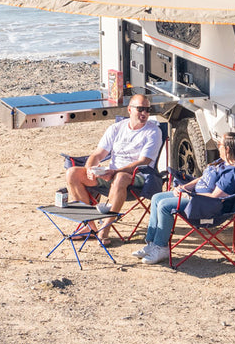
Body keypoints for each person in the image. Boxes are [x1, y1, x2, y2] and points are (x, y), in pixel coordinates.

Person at [134, 131, 235, 265]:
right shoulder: (220, 162)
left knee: (164, 206)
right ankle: (152, 243)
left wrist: (190, 195)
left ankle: (161, 247)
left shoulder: (232, 172)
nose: (217, 146)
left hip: (205, 206)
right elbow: (202, 179)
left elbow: (215, 197)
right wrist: (185, 187)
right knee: (156, 198)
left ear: (227, 149)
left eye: (219, 144)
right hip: (194, 197)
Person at [65, 94, 162, 242]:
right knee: (72, 173)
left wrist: (115, 172)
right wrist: (90, 168)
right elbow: (98, 154)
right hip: (110, 175)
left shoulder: (153, 131)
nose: (144, 113)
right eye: (140, 109)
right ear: (129, 109)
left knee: (120, 177)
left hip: (137, 177)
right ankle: (90, 226)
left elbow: (144, 161)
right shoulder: (116, 128)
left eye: (148, 110)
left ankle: (104, 229)